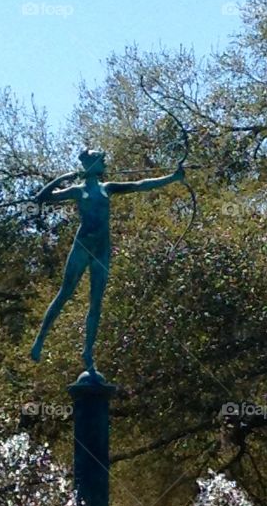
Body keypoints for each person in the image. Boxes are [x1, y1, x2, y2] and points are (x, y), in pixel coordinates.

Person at [30, 147, 187, 376]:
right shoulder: (77, 191)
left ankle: (88, 353)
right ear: (90, 165)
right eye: (100, 160)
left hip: (102, 249)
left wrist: (173, 177)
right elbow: (41, 198)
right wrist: (62, 179)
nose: (105, 163)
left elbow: (141, 184)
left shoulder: (108, 188)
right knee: (65, 293)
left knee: (96, 302)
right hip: (83, 246)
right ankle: (39, 341)